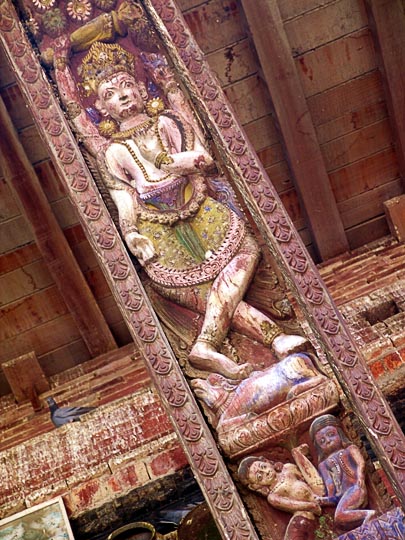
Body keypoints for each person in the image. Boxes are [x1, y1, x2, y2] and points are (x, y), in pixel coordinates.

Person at [53, 39, 308, 380]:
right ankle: (275, 340)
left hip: (203, 212)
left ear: (143, 89)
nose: (124, 95)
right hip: (160, 233)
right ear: (102, 107)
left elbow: (202, 159)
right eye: (111, 93)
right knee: (207, 295)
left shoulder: (168, 123)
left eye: (128, 84)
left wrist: (163, 160)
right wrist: (130, 233)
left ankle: (205, 345)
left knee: (247, 251)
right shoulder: (115, 151)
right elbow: (124, 198)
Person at [238, 448, 324, 540]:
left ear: (266, 461)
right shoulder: (273, 496)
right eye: (260, 477)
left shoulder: (288, 468)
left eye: (264, 467)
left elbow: (307, 476)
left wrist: (318, 491)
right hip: (303, 513)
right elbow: (291, 505)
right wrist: (311, 506)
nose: (266, 473)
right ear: (255, 486)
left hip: (317, 498)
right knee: (299, 525)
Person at [310, 414, 376, 531]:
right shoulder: (323, 464)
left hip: (356, 488)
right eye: (322, 441)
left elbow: (361, 462)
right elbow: (330, 484)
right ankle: (365, 519)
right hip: (343, 495)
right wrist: (325, 500)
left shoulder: (349, 449)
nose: (328, 441)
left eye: (331, 435)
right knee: (339, 518)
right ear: (319, 447)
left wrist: (360, 475)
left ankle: (369, 515)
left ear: (340, 433)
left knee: (339, 516)